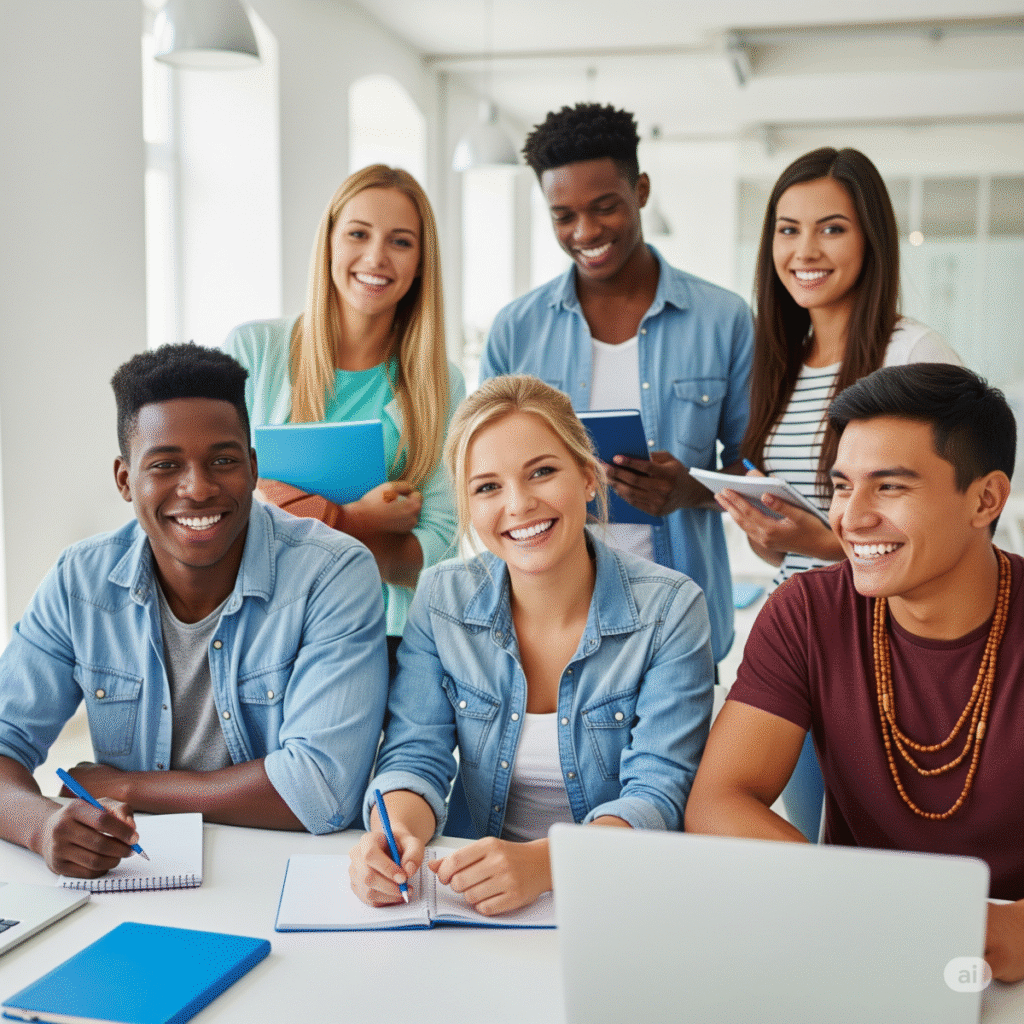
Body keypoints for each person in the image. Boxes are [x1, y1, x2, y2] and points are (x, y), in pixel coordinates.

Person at [686, 363, 1024, 983]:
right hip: (857, 951)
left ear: (985, 499)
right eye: (843, 487)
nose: (851, 518)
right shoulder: (808, 611)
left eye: (889, 488)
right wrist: (887, 910)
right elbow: (719, 802)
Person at [0, 344, 389, 879]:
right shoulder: (80, 581)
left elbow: (321, 792)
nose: (198, 488)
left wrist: (131, 787)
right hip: (135, 876)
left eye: (223, 461)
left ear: (253, 468)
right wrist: (41, 825)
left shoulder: (333, 573)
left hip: (287, 876)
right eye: (165, 465)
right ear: (124, 480)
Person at [348, 375, 714, 916]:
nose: (518, 504)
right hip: (473, 900)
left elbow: (657, 796)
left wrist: (545, 866)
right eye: (487, 487)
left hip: (622, 899)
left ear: (588, 479)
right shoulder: (443, 596)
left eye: (542, 472)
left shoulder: (671, 608)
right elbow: (415, 754)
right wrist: (394, 829)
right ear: (468, 504)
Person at [716, 147, 962, 839]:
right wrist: (774, 538)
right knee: (817, 852)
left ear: (870, 238)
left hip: (892, 651)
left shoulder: (914, 356)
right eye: (787, 229)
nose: (804, 250)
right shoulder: (779, 365)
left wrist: (813, 539)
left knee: (899, 854)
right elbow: (796, 552)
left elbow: (947, 532)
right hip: (801, 648)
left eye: (832, 228)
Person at [480, 103, 753, 666]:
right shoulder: (516, 330)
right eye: (563, 216)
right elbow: (481, 470)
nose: (585, 232)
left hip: (680, 614)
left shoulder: (723, 319)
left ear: (641, 190)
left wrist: (690, 491)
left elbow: (756, 470)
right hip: (546, 614)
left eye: (604, 207)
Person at [225, 164, 466, 662]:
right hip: (261, 628)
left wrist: (293, 511)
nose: (376, 257)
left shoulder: (440, 382)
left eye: (401, 241)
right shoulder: (254, 351)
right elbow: (225, 504)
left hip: (384, 640)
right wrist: (356, 521)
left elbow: (438, 542)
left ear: (421, 261)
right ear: (330, 241)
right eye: (358, 233)